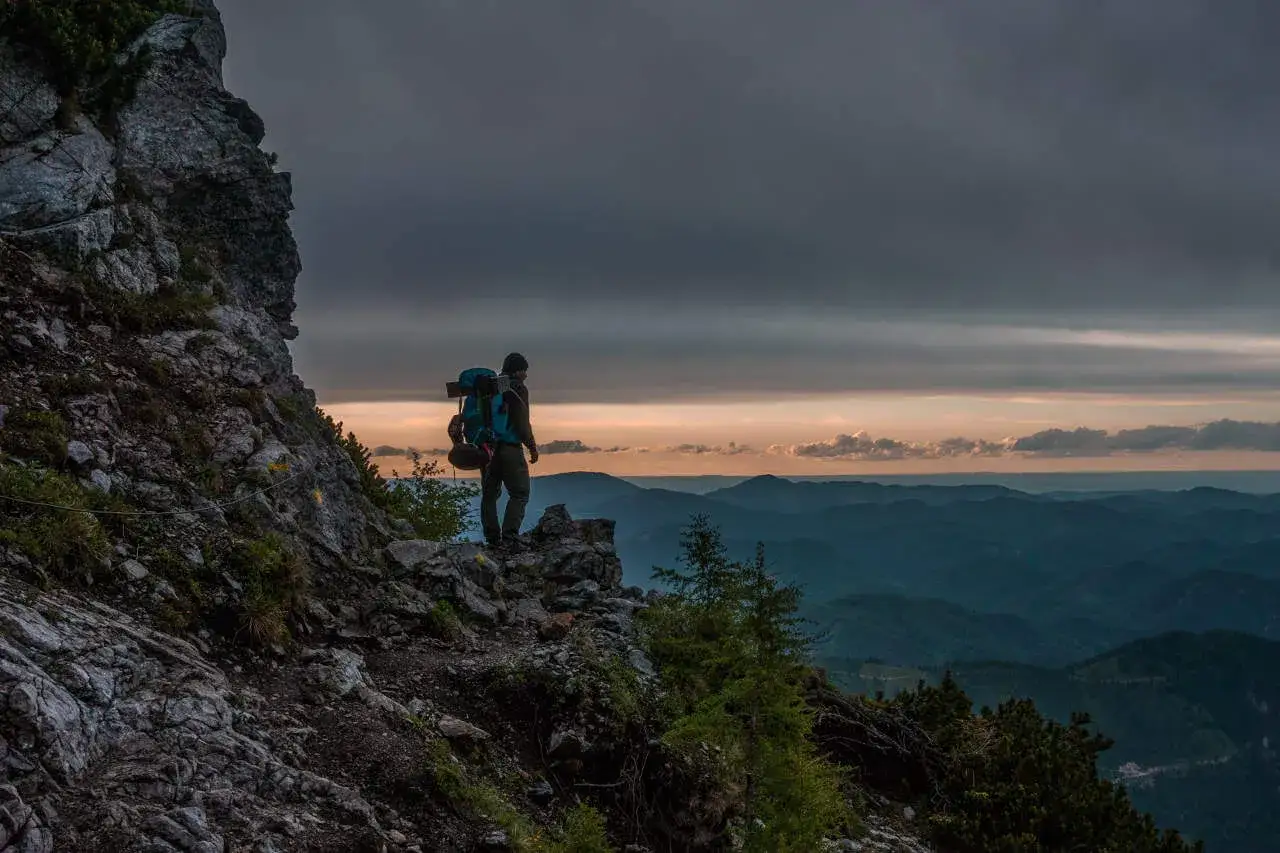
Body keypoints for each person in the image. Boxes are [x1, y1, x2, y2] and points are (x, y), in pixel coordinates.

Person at [480, 352, 539, 549]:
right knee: (520, 493)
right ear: (518, 370)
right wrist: (531, 446)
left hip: (493, 449)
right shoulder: (518, 388)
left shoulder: (492, 386)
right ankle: (510, 538)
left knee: (489, 494)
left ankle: (492, 537)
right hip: (511, 448)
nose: (526, 375)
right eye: (524, 371)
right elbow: (522, 422)